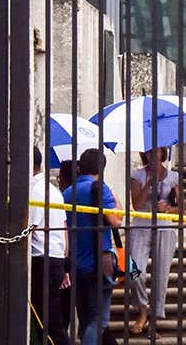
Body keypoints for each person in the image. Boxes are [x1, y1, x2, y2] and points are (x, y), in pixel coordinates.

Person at [64, 148, 123, 345]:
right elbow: (116, 221)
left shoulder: (67, 193)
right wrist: (116, 200)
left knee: (86, 316)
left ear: (80, 167)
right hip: (98, 263)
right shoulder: (99, 188)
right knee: (99, 319)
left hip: (74, 264)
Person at [126, 146, 180, 335]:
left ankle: (154, 320)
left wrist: (168, 208)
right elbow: (136, 204)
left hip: (164, 226)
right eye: (148, 151)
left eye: (156, 151)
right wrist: (149, 183)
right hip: (141, 224)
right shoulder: (137, 175)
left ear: (162, 153)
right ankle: (142, 309)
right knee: (135, 269)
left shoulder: (173, 177)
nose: (152, 154)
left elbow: (182, 208)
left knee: (161, 275)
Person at [30, 147, 72, 345]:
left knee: (48, 325)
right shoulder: (53, 190)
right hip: (54, 260)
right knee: (51, 321)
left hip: (41, 263)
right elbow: (64, 231)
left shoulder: (36, 191)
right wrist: (63, 266)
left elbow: (29, 229)